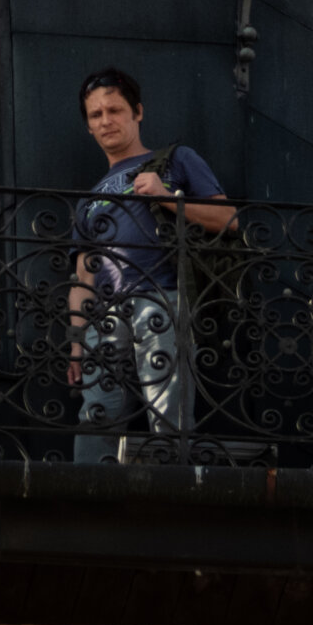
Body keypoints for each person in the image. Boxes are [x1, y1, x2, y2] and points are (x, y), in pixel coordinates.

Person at [66, 68, 234, 465]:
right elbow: (83, 275)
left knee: (169, 412)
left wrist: (167, 197)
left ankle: (173, 489)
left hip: (163, 296)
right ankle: (86, 491)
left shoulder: (175, 160)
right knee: (96, 416)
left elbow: (228, 219)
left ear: (137, 112)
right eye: (96, 115)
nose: (106, 121)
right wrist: (76, 341)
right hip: (105, 316)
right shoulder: (89, 199)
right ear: (88, 126)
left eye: (115, 110)